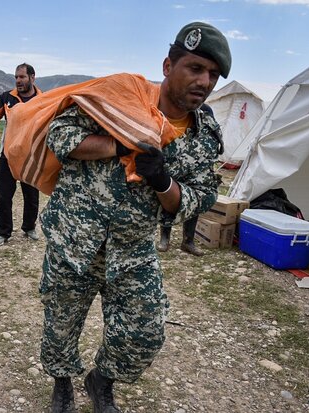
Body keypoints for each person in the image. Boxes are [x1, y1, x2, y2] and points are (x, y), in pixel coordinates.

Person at [37, 22, 229, 413]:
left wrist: (163, 181)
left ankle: (100, 380)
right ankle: (62, 382)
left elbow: (197, 198)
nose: (204, 81)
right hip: (75, 236)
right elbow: (61, 136)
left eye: (213, 75)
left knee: (145, 330)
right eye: (195, 68)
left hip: (132, 248)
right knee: (60, 323)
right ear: (167, 65)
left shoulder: (205, 136)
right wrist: (120, 142)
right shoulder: (116, 101)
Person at [0, 63, 42, 247]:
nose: (18, 81)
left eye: (22, 77)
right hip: (8, 155)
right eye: (16, 77)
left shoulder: (42, 99)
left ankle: (29, 227)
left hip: (30, 156)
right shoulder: (7, 97)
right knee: (4, 196)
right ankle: (3, 233)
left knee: (31, 196)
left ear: (32, 77)